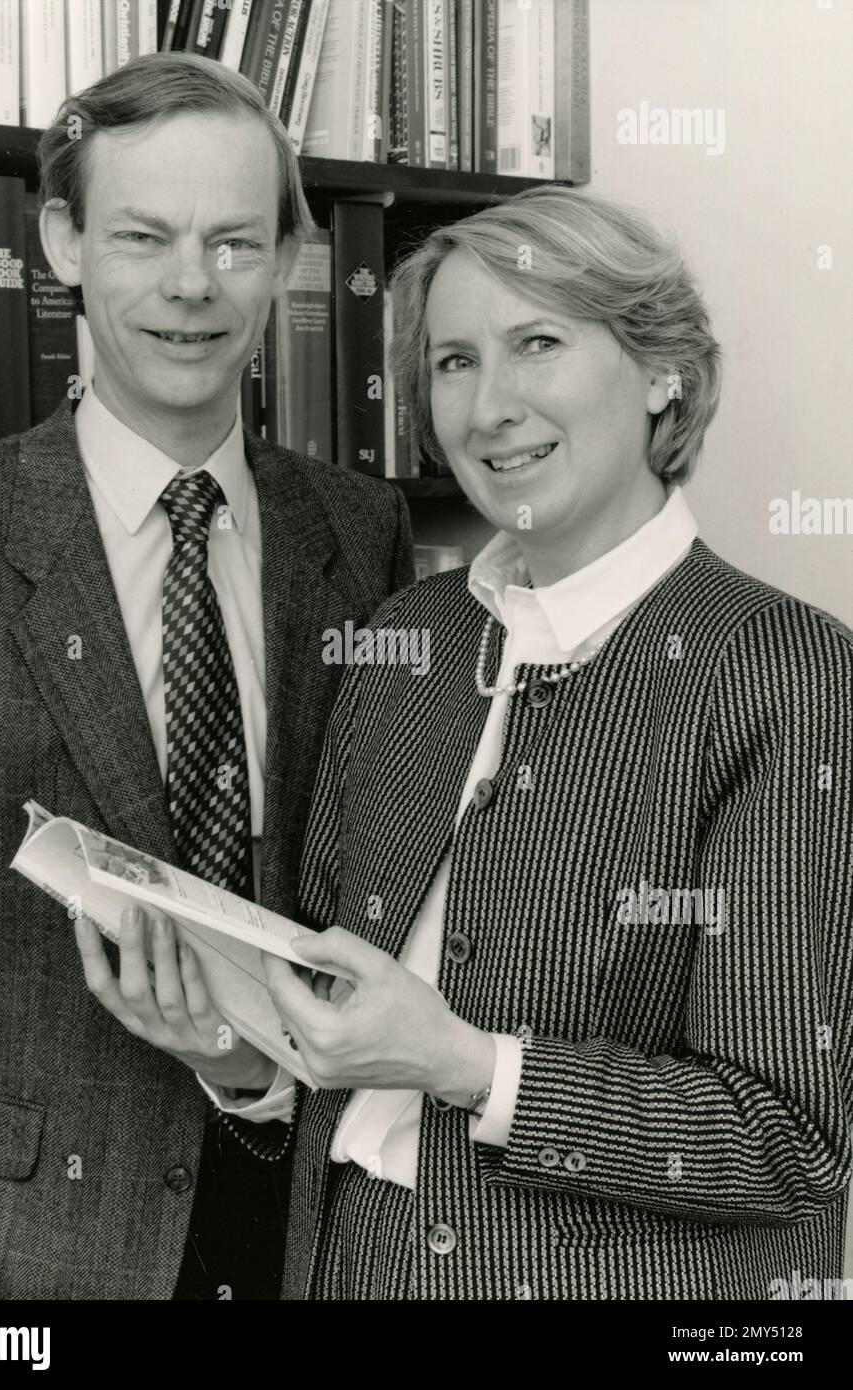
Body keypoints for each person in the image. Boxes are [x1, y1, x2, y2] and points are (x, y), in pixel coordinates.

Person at [95, 185, 853, 1299]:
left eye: (536, 342)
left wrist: (466, 1063)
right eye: (452, 362)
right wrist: (239, 1054)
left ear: (661, 371)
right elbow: (344, 1026)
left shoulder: (787, 673)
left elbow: (788, 1135)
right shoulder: (408, 640)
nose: (489, 405)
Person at [0, 52, 412, 1301]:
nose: (194, 286)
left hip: (308, 1223)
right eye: (144, 236)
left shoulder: (363, 531)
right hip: (34, 1258)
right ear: (65, 240)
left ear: (290, 259)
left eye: (236, 242)